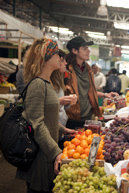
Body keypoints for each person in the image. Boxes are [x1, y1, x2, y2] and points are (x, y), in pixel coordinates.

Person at [17, 38, 63, 192]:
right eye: (56, 54)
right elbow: (36, 123)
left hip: (46, 152)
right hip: (40, 156)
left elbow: (46, 118)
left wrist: (63, 130)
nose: (59, 58)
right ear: (46, 57)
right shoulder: (38, 84)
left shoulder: (46, 83)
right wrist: (55, 152)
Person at [65, 36, 117, 129]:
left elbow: (89, 92)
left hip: (88, 116)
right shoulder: (66, 70)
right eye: (84, 49)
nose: (88, 51)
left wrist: (106, 95)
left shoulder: (88, 69)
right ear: (75, 51)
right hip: (71, 118)